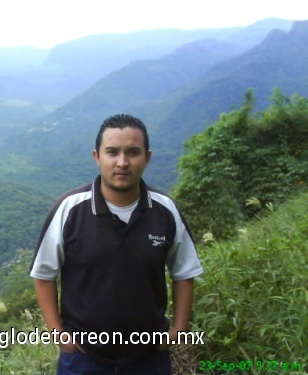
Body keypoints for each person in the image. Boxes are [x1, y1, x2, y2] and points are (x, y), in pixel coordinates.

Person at [29, 114, 203, 374]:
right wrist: (58, 334)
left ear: (147, 158)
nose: (122, 162)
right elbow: (43, 274)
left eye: (133, 152)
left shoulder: (164, 210)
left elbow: (184, 272)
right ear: (97, 156)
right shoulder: (69, 209)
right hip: (83, 358)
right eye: (112, 152)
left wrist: (177, 330)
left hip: (149, 356)